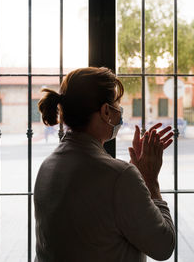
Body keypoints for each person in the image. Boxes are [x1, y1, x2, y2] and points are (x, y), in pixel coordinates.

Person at [34, 67, 176, 262]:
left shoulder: (47, 167)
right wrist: (149, 180)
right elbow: (164, 247)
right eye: (117, 104)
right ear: (106, 111)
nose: (120, 111)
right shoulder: (120, 177)